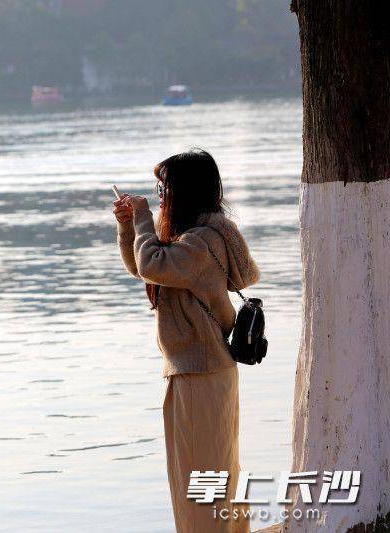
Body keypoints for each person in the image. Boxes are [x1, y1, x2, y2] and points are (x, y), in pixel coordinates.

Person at [112, 149, 259, 533]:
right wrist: (129, 226)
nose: (160, 196)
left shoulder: (200, 243)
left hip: (199, 372)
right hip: (199, 369)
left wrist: (143, 217)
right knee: (217, 472)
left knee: (199, 480)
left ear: (185, 190)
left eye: (164, 189)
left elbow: (152, 264)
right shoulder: (192, 240)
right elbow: (143, 266)